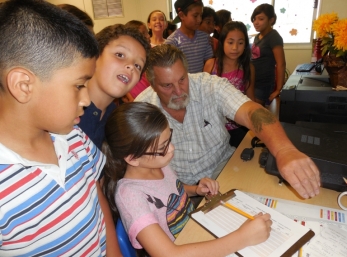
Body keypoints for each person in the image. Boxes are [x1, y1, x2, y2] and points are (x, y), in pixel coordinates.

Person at [136, 44, 320, 200]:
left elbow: (252, 112)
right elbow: (143, 174)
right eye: (167, 85)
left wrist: (285, 150)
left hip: (226, 171)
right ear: (152, 84)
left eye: (182, 79)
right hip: (180, 192)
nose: (178, 91)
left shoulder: (209, 86)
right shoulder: (141, 110)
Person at [0, 0, 108, 255]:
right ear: (23, 85)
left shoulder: (74, 137)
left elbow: (100, 209)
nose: (86, 100)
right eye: (79, 85)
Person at [102, 102, 272, 257]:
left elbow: (170, 189)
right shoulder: (130, 196)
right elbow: (168, 254)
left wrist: (195, 189)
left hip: (194, 231)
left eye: (169, 139)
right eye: (162, 148)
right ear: (132, 158)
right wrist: (242, 238)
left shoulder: (156, 164)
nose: (172, 149)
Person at [78, 24, 150, 149]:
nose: (131, 66)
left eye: (138, 65)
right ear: (95, 55)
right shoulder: (64, 111)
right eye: (120, 55)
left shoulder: (117, 122)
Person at [204, 21, 255, 147]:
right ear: (222, 42)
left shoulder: (248, 68)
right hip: (214, 127)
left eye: (240, 43)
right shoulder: (210, 65)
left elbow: (250, 99)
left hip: (239, 128)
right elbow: (203, 97)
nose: (235, 48)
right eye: (230, 42)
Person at [250, 3, 286, 106]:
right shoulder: (258, 36)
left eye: (261, 19)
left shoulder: (273, 36)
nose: (256, 22)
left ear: (271, 20)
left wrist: (279, 89)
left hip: (263, 84)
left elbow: (281, 64)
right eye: (254, 19)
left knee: (254, 113)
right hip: (253, 82)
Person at [166, 0, 213, 73]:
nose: (199, 20)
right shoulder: (172, 42)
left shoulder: (205, 38)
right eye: (195, 16)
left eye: (201, 15)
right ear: (181, 15)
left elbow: (209, 61)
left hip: (202, 82)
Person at [121, 20, 152, 103]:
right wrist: (130, 98)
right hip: (135, 97)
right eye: (143, 33)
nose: (148, 36)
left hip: (150, 95)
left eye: (147, 33)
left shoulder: (152, 52)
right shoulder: (128, 56)